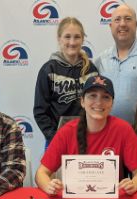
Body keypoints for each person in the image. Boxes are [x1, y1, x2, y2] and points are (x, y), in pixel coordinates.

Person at [35, 75, 137, 196]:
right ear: (82, 101)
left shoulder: (123, 129)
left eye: (106, 97)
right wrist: (48, 186)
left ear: (112, 104)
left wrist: (133, 184)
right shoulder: (66, 132)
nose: (99, 102)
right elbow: (41, 173)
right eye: (92, 96)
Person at [33, 17, 99, 148]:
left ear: (82, 39)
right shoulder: (48, 69)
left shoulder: (91, 70)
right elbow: (40, 111)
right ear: (59, 39)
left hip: (86, 139)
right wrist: (54, 137)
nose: (72, 42)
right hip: (57, 140)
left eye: (77, 37)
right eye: (67, 37)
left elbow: (97, 105)